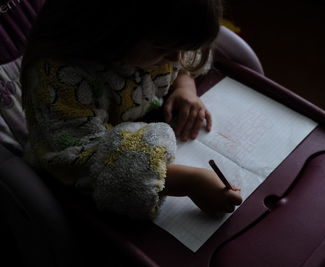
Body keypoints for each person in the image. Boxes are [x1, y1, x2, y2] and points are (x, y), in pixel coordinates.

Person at [20, 0, 242, 219]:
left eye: (181, 49)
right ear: (107, 31)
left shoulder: (158, 37)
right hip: (68, 186)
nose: (175, 59)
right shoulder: (59, 80)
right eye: (164, 49)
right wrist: (189, 182)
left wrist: (185, 87)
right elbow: (88, 167)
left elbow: (183, 57)